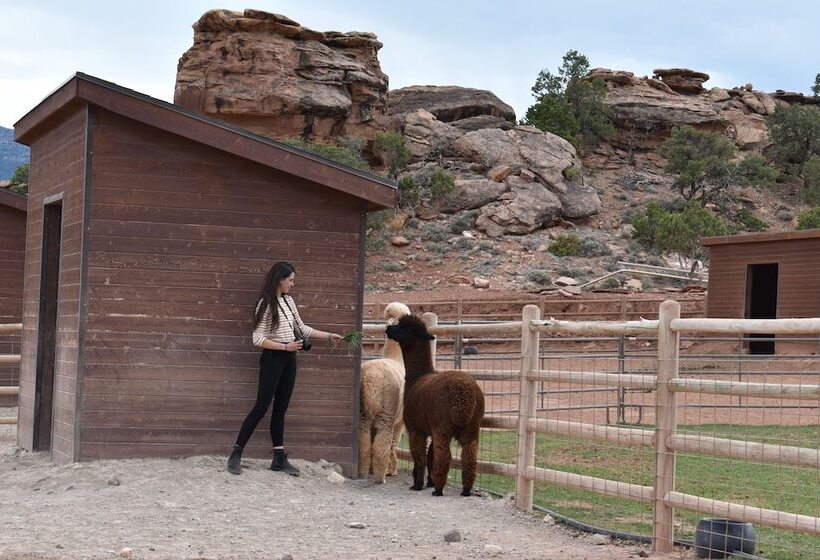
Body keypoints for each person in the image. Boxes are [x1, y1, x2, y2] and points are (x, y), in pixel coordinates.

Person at [227, 261, 342, 476]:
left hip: (290, 359)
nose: (292, 284)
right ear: (280, 279)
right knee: (261, 407)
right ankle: (236, 453)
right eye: (290, 280)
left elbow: (302, 328)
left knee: (281, 409)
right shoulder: (265, 304)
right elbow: (257, 338)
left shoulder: (289, 302)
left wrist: (328, 336)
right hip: (272, 359)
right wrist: (285, 346)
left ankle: (279, 458)